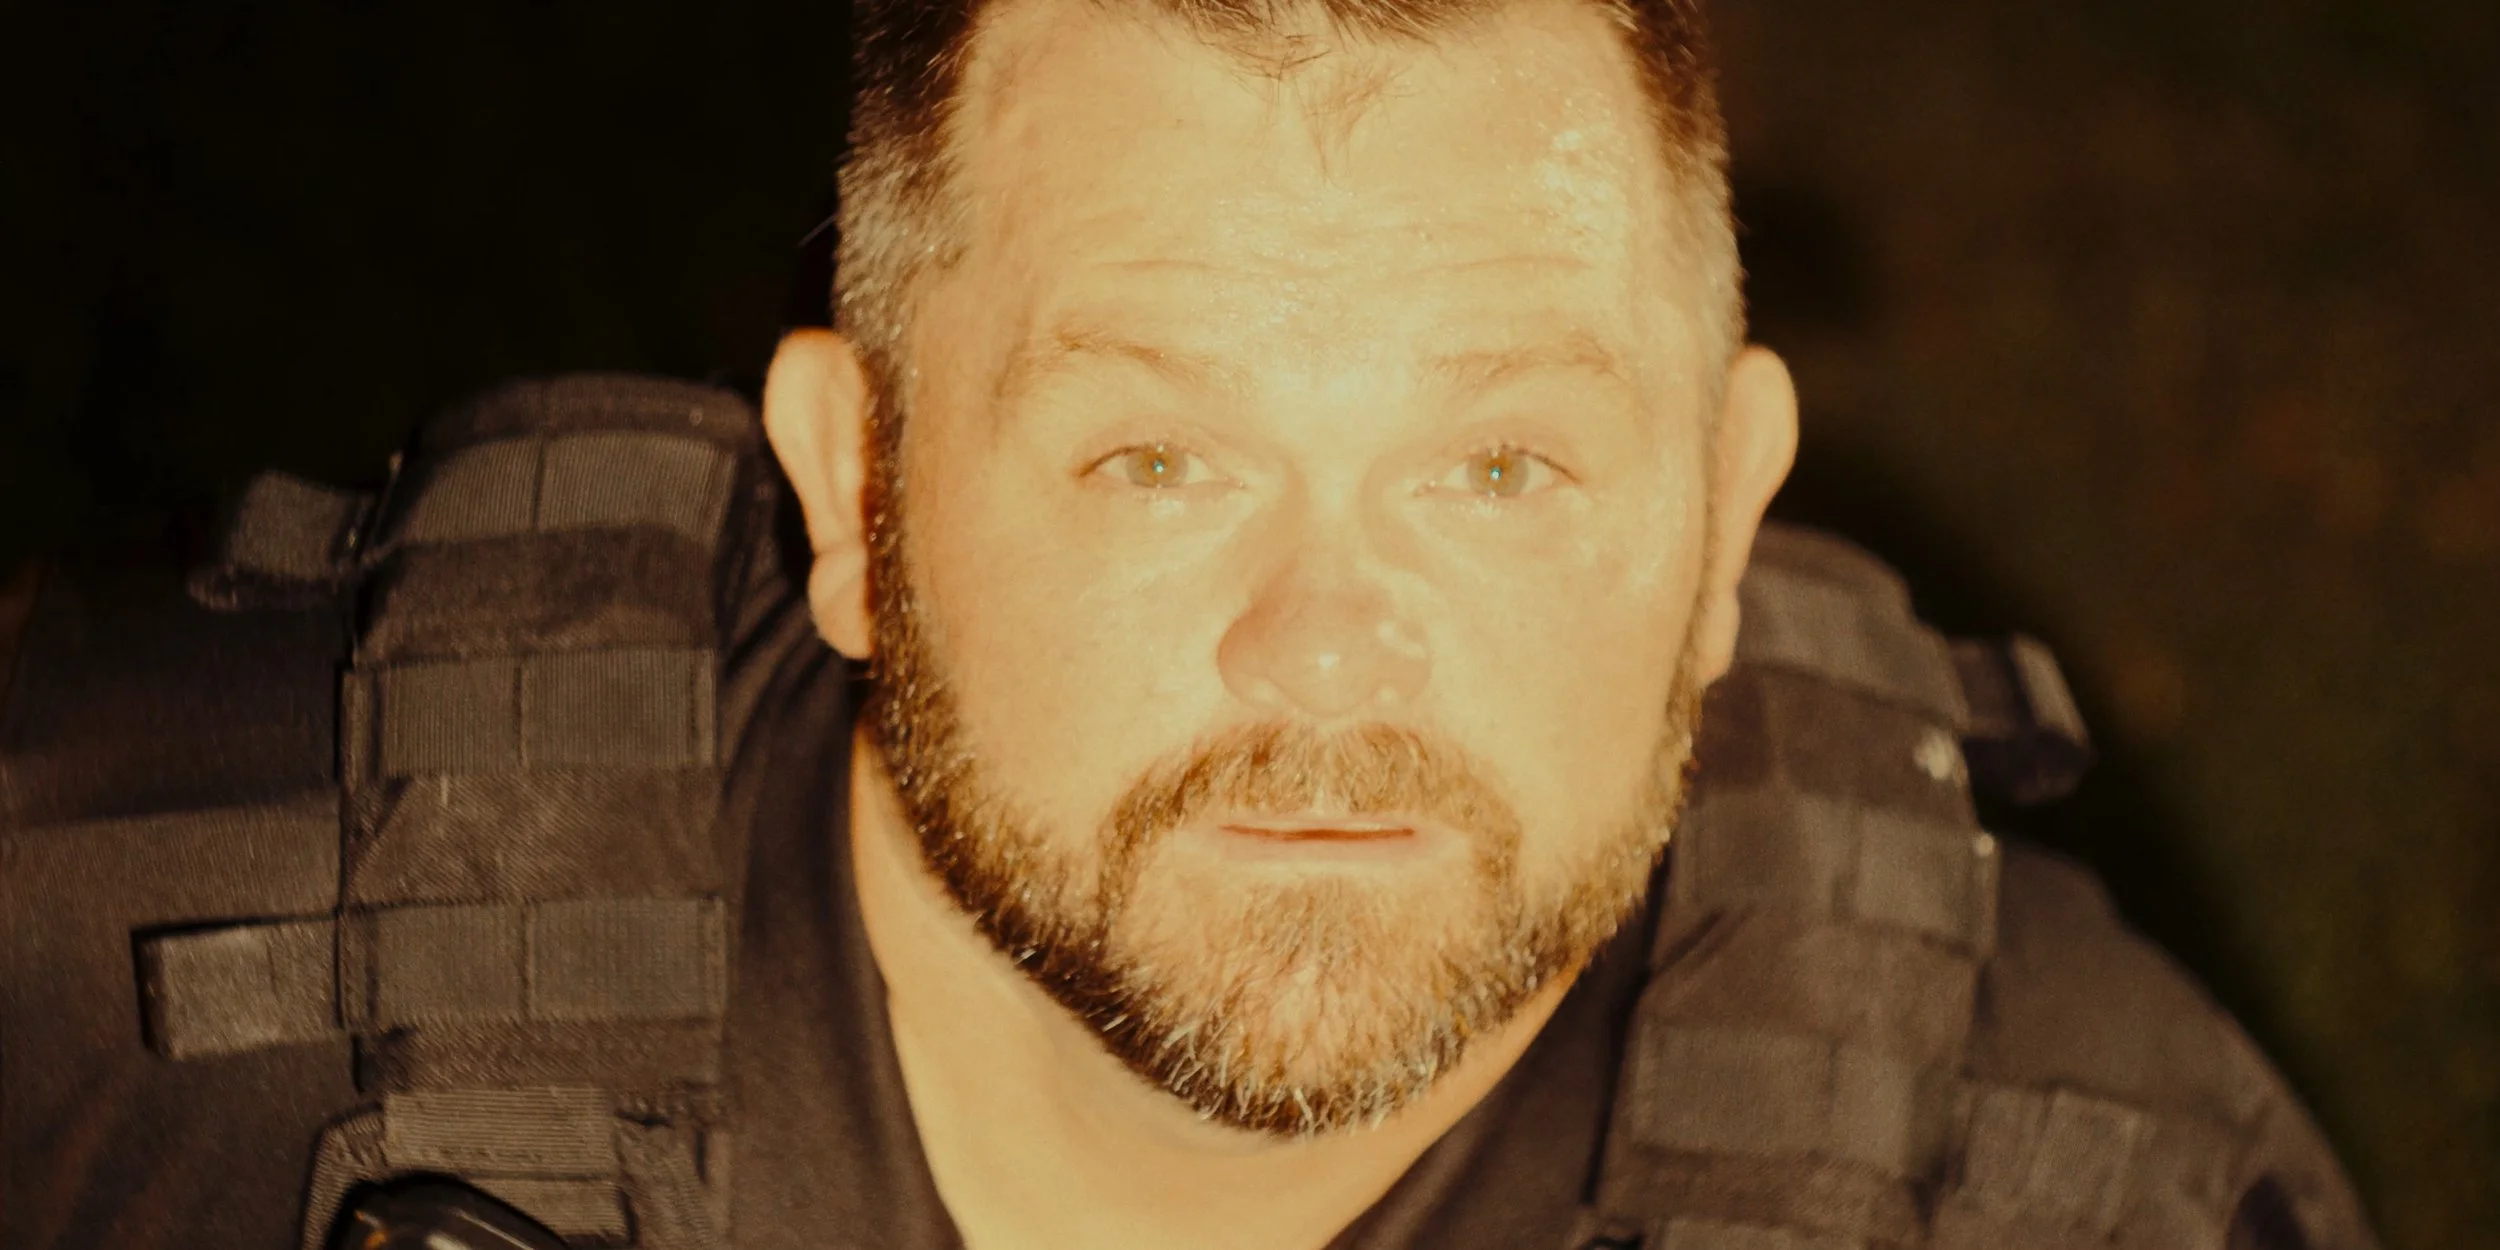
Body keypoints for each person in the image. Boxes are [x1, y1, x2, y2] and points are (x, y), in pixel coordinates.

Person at [0, 0, 2378, 1247]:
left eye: (1497, 466)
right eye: (1159, 458)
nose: (1326, 648)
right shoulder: (123, 1002)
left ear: (1721, 516)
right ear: (855, 490)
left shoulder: (2105, 1189)